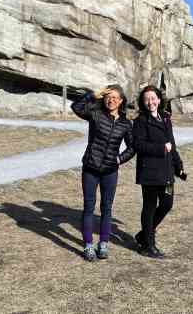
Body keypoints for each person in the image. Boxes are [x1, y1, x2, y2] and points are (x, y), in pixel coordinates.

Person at [71, 85, 134, 262]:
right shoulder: (96, 114)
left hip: (110, 171)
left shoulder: (125, 123)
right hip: (90, 168)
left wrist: (119, 159)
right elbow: (76, 107)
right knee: (89, 207)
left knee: (107, 208)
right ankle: (88, 245)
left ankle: (103, 243)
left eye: (115, 97)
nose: (111, 100)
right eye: (108, 97)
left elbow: (132, 147)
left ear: (121, 101)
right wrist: (93, 95)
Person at [132, 85, 187, 259]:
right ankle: (148, 245)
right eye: (146, 99)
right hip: (149, 172)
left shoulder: (165, 118)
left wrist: (178, 165)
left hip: (167, 171)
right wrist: (160, 148)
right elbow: (138, 145)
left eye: (153, 98)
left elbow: (172, 144)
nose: (150, 102)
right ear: (143, 102)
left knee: (167, 204)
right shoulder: (140, 121)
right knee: (149, 207)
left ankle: (143, 234)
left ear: (159, 99)